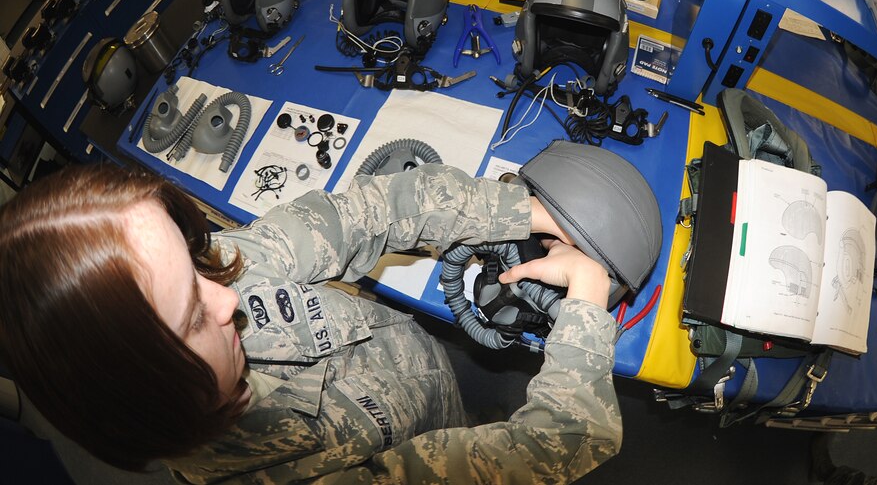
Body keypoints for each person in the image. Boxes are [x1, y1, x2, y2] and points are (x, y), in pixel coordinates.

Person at [0, 162, 620, 484]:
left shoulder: (212, 277)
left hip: (432, 384)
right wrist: (588, 300)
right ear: (144, 390)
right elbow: (560, 442)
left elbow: (363, 213)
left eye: (195, 266)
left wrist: (523, 212)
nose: (226, 301)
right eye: (192, 316)